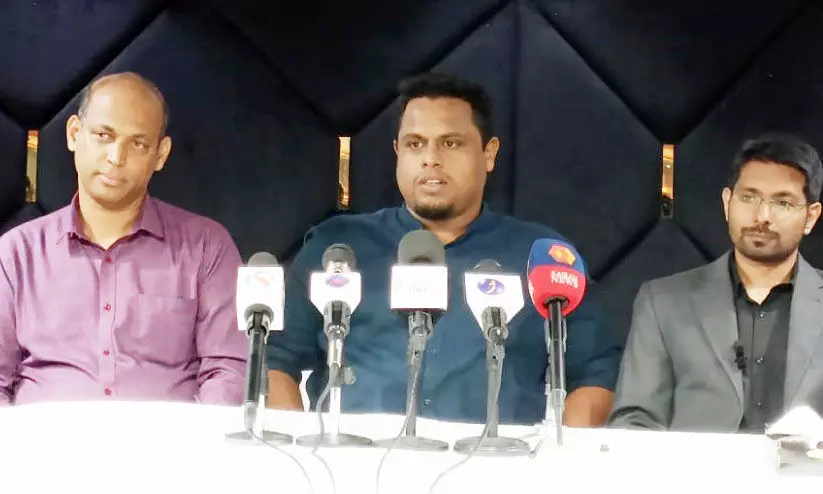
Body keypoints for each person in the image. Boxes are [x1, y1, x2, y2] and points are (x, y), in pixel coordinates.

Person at [266, 72, 621, 425]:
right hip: (353, 457)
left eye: (450, 143)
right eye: (415, 144)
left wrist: (563, 457)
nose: (430, 158)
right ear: (397, 152)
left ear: (489, 154)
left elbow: (595, 374)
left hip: (498, 458)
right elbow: (274, 362)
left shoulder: (543, 257)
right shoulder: (336, 250)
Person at [0, 72, 247, 405]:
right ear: (74, 134)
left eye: (138, 144)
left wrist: (195, 439)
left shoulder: (206, 248)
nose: (116, 157)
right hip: (43, 439)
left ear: (160, 154)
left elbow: (229, 372)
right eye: (103, 135)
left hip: (171, 439)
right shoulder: (17, 253)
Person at [609, 134, 823, 432]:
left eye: (782, 203)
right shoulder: (663, 303)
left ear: (811, 217)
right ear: (727, 203)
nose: (762, 216)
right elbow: (634, 422)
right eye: (749, 198)